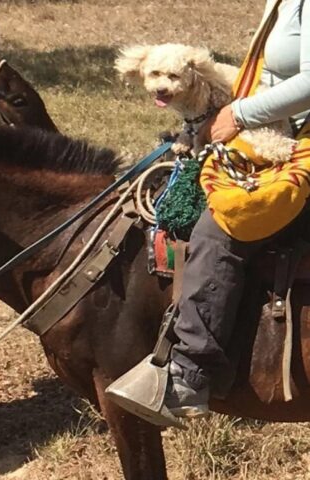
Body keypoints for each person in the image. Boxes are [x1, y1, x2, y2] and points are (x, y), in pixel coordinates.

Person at [109, 0, 310, 420]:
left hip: (294, 136)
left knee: (223, 225)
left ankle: (191, 375)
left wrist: (237, 114)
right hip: (271, 121)